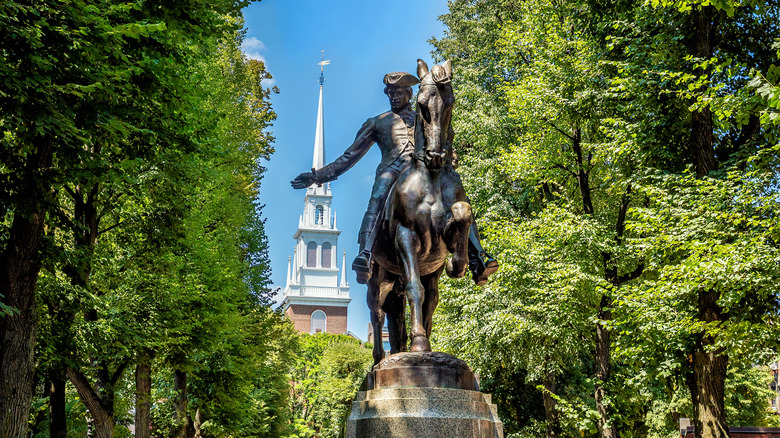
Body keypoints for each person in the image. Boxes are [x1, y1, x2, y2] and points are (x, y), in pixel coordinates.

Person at [291, 71, 497, 285]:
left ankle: (477, 257)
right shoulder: (377, 123)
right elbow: (348, 157)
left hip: (423, 174)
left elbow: (442, 138)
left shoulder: (424, 117)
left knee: (457, 196)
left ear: (409, 93)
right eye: (390, 93)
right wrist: (317, 177)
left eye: (398, 92)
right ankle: (366, 254)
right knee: (378, 198)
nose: (394, 97)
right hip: (392, 171)